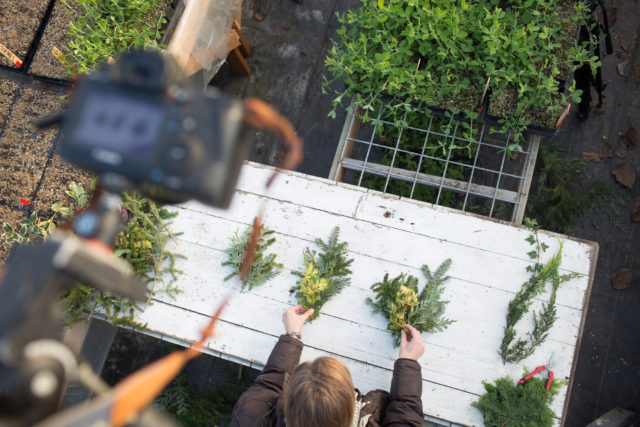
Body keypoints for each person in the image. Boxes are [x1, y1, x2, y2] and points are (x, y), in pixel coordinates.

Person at [231, 305, 425, 426]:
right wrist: (408, 363)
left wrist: (291, 337)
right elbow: (406, 417)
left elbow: (268, 386)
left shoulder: (252, 416)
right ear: (351, 405)